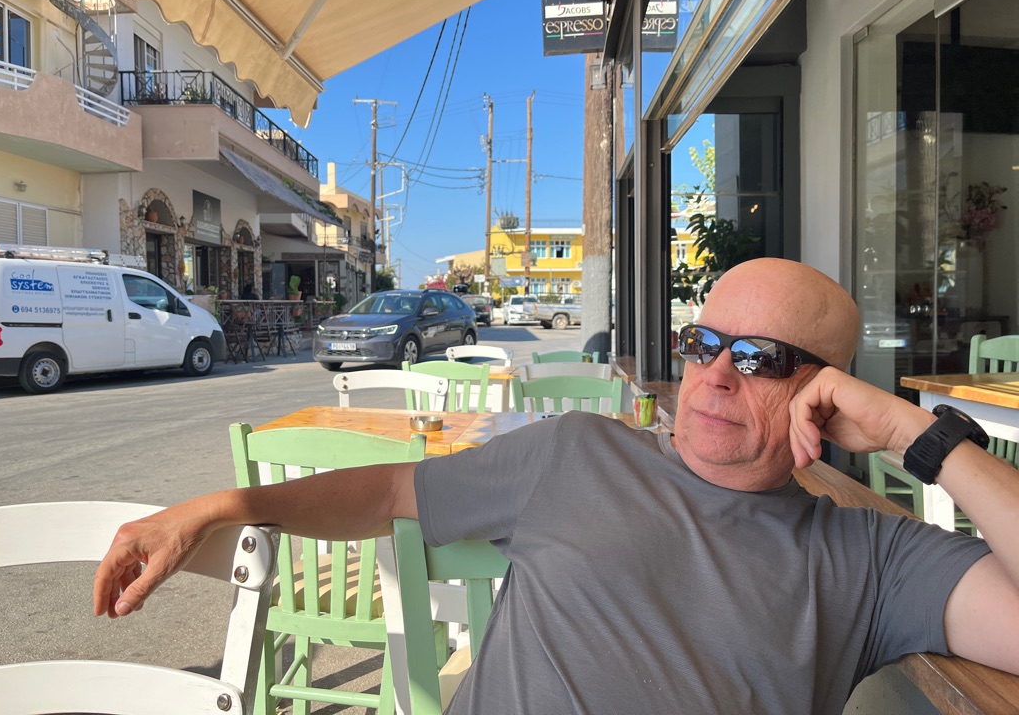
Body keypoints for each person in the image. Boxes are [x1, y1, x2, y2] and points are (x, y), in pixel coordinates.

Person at [93, 258, 1019, 713]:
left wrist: (918, 435)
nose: (713, 377)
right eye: (704, 343)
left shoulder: (869, 557)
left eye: (759, 358)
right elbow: (387, 495)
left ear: (829, 391)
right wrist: (225, 505)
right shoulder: (577, 452)